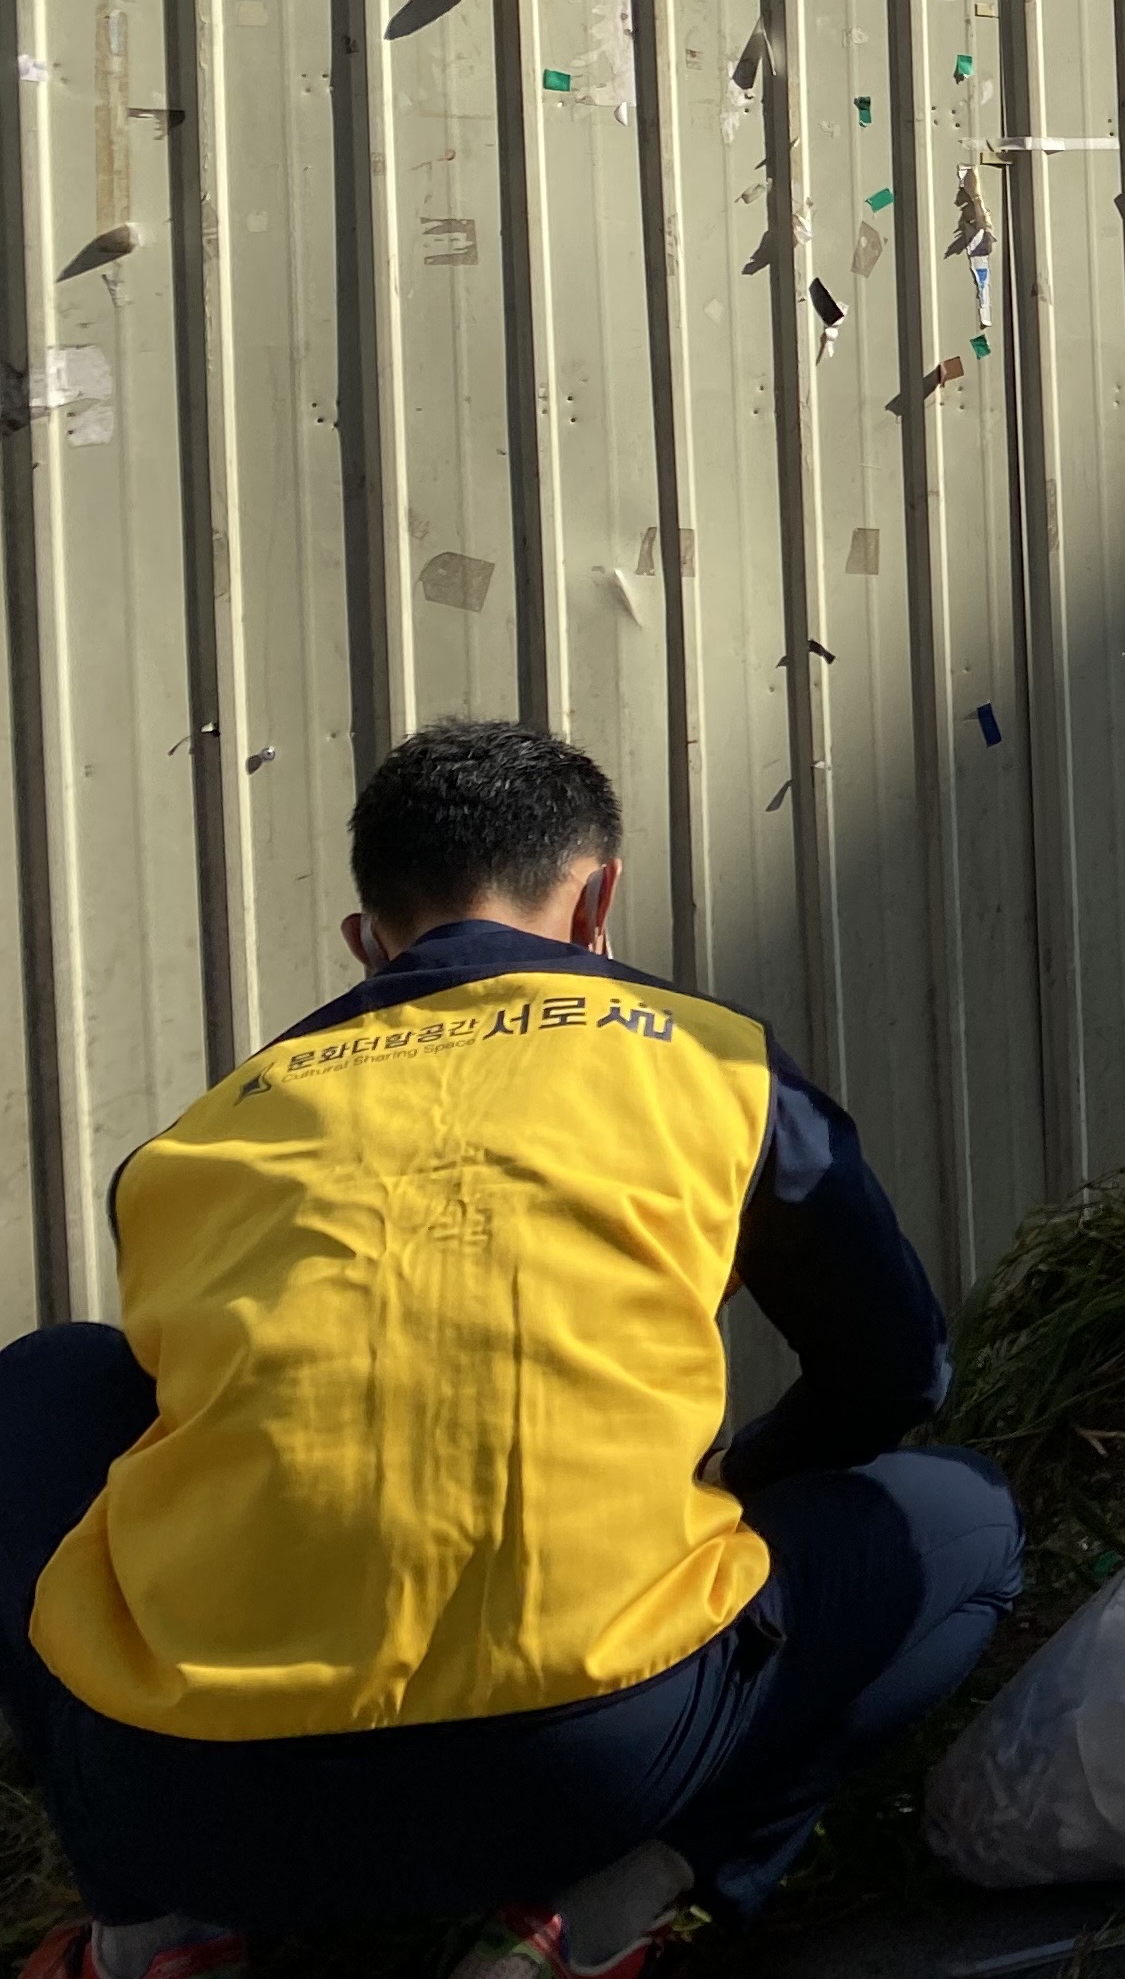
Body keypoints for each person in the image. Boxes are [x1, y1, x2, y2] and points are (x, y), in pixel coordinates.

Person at [0, 722, 1012, 1979]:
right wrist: (738, 1486)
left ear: (367, 941)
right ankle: (603, 1916)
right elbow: (898, 1372)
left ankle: (155, 1932)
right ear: (598, 902)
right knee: (966, 1521)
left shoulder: (202, 1136)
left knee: (45, 1382)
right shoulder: (713, 1064)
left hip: (189, 1801)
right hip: (585, 1765)